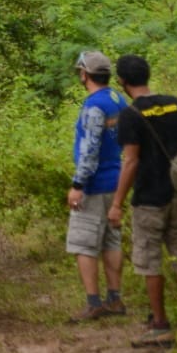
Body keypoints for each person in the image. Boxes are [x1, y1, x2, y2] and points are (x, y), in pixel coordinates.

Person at [107, 54, 177, 347]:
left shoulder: (131, 115)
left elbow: (130, 162)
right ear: (147, 74)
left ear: (122, 81)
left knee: (150, 262)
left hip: (148, 199)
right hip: (176, 193)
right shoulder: (174, 103)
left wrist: (117, 203)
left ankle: (160, 325)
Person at [66, 51, 128, 323]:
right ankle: (115, 298)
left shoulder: (94, 106)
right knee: (111, 240)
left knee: (84, 243)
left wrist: (78, 184)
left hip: (94, 184)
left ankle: (94, 303)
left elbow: (90, 149)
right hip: (115, 179)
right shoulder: (117, 99)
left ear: (85, 74)